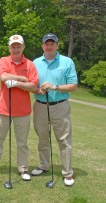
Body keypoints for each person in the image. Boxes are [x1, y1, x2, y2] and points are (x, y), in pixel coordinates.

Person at [0, 35, 38, 181]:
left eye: (18, 46)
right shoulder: (4, 60)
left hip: (23, 112)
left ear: (23, 47)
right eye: (13, 46)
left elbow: (33, 86)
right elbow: (3, 77)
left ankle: (23, 169)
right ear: (9, 48)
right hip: (4, 110)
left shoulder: (30, 65)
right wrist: (23, 78)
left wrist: (16, 83)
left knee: (22, 143)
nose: (16, 49)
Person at [31, 33, 78, 186]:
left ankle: (67, 173)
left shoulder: (67, 62)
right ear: (42, 46)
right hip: (40, 106)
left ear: (57, 45)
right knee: (42, 138)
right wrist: (38, 90)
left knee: (64, 140)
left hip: (60, 105)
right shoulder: (35, 63)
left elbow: (73, 86)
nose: (49, 46)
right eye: (46, 43)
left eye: (52, 43)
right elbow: (31, 85)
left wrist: (54, 87)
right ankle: (44, 166)